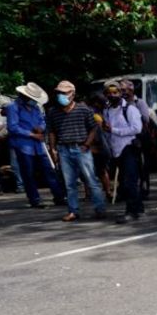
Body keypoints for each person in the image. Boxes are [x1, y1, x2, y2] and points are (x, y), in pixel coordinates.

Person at [47, 80, 106, 221]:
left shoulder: (83, 109)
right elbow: (51, 132)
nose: (61, 95)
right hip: (63, 149)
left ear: (72, 94)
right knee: (70, 183)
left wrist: (87, 144)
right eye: (59, 93)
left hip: (81, 148)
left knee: (91, 180)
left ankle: (99, 209)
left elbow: (94, 127)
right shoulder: (53, 112)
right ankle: (73, 211)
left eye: (64, 92)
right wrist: (53, 149)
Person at [7, 82, 64, 209]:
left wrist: (41, 128)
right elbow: (13, 127)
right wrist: (31, 134)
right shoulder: (13, 107)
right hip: (23, 145)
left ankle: (59, 196)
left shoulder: (36, 108)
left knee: (49, 170)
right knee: (28, 173)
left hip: (39, 144)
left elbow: (42, 121)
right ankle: (35, 199)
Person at [102, 82, 144, 223]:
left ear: (120, 93)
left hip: (129, 147)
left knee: (129, 181)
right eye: (109, 93)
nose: (112, 95)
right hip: (116, 150)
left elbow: (136, 129)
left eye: (115, 92)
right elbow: (107, 132)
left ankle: (131, 211)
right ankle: (138, 207)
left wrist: (114, 130)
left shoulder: (130, 109)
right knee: (124, 180)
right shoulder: (107, 111)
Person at [120, 79, 156, 199]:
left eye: (124, 90)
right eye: (121, 90)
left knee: (142, 165)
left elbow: (145, 119)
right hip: (125, 138)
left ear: (131, 89)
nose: (123, 92)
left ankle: (144, 188)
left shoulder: (139, 102)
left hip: (140, 138)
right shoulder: (119, 103)